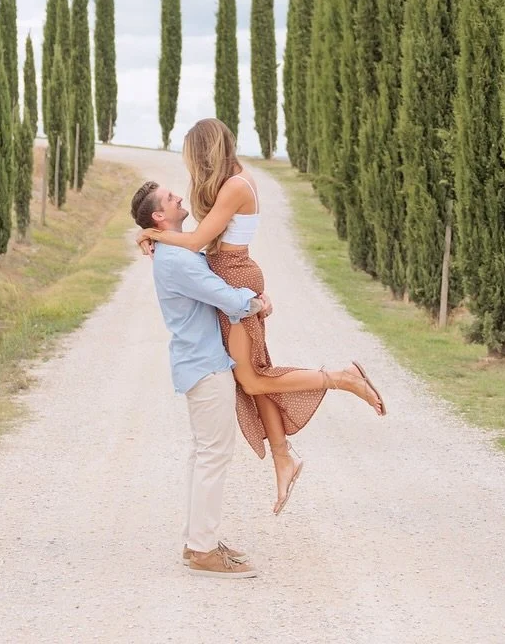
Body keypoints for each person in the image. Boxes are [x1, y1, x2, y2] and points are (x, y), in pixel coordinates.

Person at [140, 118, 385, 516]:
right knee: (259, 373)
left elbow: (200, 241)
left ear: (205, 152)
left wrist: (154, 235)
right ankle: (283, 457)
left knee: (252, 380)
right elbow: (205, 245)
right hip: (234, 278)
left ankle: (341, 379)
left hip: (234, 278)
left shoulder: (236, 186)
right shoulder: (231, 182)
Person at [133, 179, 262, 579]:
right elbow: (219, 292)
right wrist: (258, 302)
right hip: (205, 366)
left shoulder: (173, 249)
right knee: (213, 454)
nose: (179, 198)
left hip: (199, 363)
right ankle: (203, 551)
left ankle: (197, 542)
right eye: (171, 199)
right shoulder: (175, 258)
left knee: (203, 452)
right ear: (159, 216)